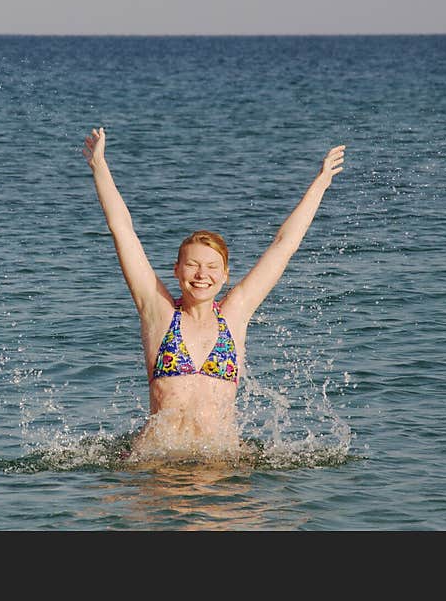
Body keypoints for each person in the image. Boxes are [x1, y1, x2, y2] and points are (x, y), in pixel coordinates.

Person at [82, 127, 346, 461]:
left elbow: (284, 244)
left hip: (219, 462)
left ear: (225, 275)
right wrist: (100, 166)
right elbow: (123, 230)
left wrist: (321, 182)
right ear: (177, 270)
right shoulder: (158, 311)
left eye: (211, 267)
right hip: (157, 462)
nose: (201, 275)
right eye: (192, 265)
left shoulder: (236, 313)